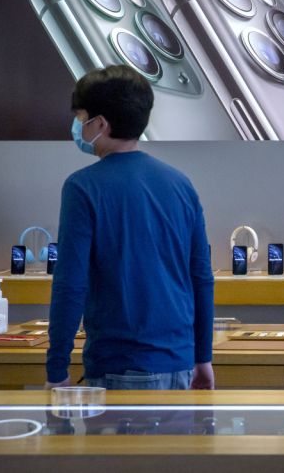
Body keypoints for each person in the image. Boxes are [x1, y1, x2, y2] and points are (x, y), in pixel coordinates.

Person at [45, 65, 215, 390]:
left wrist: (57, 369)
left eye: (81, 118)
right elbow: (201, 278)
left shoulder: (83, 188)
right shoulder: (181, 184)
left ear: (100, 124)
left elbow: (71, 284)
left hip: (119, 365)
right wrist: (202, 357)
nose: (79, 127)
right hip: (179, 363)